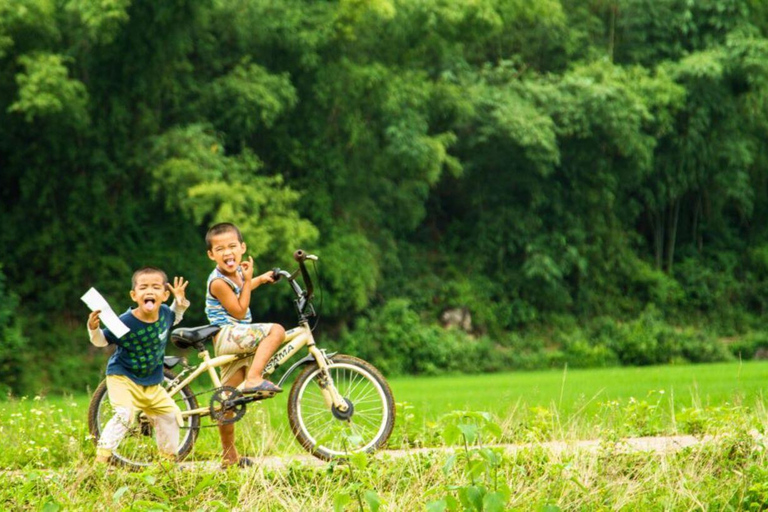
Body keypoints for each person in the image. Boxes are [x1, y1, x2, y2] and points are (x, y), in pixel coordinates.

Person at [87, 267, 189, 464]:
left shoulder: (166, 313)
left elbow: (175, 317)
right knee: (125, 415)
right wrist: (93, 328)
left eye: (156, 287)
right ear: (134, 295)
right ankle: (101, 460)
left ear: (165, 295)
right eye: (143, 287)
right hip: (123, 376)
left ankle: (166, 466)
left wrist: (180, 302)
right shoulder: (125, 322)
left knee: (170, 415)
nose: (149, 291)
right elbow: (102, 341)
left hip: (151, 382)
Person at [204, 222, 286, 468]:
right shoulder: (218, 282)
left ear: (242, 247)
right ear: (211, 255)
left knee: (227, 401)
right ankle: (254, 377)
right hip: (229, 335)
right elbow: (239, 311)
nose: (227, 252)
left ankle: (229, 457)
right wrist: (250, 279)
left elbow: (243, 285)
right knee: (276, 330)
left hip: (233, 339)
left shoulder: (236, 273)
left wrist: (261, 278)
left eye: (232, 246)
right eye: (220, 249)